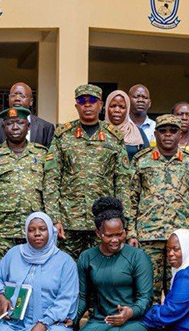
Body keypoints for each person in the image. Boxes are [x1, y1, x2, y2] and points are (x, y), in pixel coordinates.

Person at [72, 198, 153, 331]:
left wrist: (129, 312)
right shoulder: (87, 257)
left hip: (134, 320)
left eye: (120, 234)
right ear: (98, 233)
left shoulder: (137, 257)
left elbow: (145, 298)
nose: (115, 239)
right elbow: (83, 297)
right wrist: (72, 320)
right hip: (101, 319)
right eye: (109, 235)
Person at [44, 84, 133, 260]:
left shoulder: (114, 137)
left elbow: (122, 181)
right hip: (69, 220)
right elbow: (51, 179)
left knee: (102, 271)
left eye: (92, 101)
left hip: (103, 222)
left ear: (101, 105)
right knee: (69, 270)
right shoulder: (63, 135)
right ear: (76, 105)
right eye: (82, 101)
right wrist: (55, 218)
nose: (87, 105)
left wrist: (123, 221)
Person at [127, 115, 189, 303]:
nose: (168, 135)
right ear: (155, 134)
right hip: (148, 237)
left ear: (181, 134)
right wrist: (131, 232)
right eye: (163, 131)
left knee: (179, 289)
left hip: (182, 238)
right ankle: (148, 329)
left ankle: (174, 330)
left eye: (173, 131)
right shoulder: (141, 160)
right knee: (147, 290)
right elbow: (130, 199)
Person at [0, 107, 47, 275]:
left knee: (34, 277)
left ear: (29, 127)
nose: (15, 128)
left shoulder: (42, 154)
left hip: (34, 231)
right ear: (3, 128)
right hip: (2, 232)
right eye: (9, 124)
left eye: (20, 123)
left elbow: (50, 192)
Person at [0, 82, 55, 148]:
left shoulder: (46, 127)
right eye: (13, 95)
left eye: (22, 96)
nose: (17, 99)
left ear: (31, 101)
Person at [104, 89, 145, 160]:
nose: (117, 110)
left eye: (122, 107)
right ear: (107, 107)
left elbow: (146, 158)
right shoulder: (98, 130)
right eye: (113, 106)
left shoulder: (138, 132)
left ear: (127, 110)